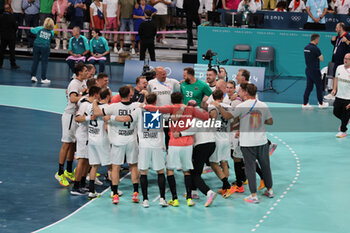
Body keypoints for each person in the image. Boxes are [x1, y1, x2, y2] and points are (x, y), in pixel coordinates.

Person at [144, 92, 210, 207]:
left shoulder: (170, 108)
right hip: (188, 144)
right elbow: (206, 117)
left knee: (170, 170)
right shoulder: (190, 109)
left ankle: (175, 199)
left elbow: (153, 108)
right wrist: (203, 108)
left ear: (171, 99)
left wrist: (143, 106)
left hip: (174, 143)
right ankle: (189, 198)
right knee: (186, 171)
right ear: (182, 99)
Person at [111, 93, 168, 208]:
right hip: (157, 146)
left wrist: (111, 117)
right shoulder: (161, 110)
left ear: (146, 101)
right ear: (156, 101)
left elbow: (127, 118)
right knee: (160, 172)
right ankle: (162, 199)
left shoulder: (138, 111)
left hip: (143, 146)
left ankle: (145, 200)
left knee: (144, 173)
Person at [93, 86, 141, 205]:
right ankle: (135, 193)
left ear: (119, 95)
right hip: (131, 140)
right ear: (130, 94)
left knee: (116, 167)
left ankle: (115, 194)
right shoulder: (136, 106)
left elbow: (97, 112)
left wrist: (94, 101)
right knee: (134, 166)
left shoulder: (113, 107)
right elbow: (147, 104)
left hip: (117, 142)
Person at [231, 83, 274, 203]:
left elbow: (231, 118)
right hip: (262, 141)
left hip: (247, 143)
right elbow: (270, 121)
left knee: (250, 168)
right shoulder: (263, 105)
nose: (238, 92)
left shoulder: (241, 106)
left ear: (245, 92)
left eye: (240, 90)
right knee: (265, 166)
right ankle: (269, 189)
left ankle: (253, 195)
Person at [55, 63, 88, 187]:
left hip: (76, 117)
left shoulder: (82, 82)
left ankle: (69, 171)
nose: (87, 73)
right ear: (79, 72)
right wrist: (84, 95)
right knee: (66, 144)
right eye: (85, 71)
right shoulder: (74, 83)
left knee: (73, 144)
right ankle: (59, 172)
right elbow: (73, 99)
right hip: (70, 117)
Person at [72, 85, 101, 196]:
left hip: (90, 135)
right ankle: (75, 186)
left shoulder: (93, 104)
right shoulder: (85, 104)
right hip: (83, 135)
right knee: (82, 160)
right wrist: (89, 118)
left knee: (88, 160)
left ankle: (82, 184)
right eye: (99, 94)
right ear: (95, 94)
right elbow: (77, 118)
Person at [147, 66, 180, 150]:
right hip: (156, 114)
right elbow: (148, 97)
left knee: (168, 134)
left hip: (168, 115)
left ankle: (169, 153)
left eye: (165, 74)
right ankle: (156, 153)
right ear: (157, 74)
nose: (164, 76)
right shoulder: (151, 83)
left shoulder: (172, 82)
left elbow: (182, 89)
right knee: (155, 135)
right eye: (162, 74)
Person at [303, 33, 329, 109]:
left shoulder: (306, 47)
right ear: (316, 39)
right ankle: (321, 104)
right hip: (315, 71)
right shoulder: (315, 48)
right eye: (318, 39)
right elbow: (322, 59)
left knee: (309, 87)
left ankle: (305, 104)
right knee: (319, 87)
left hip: (308, 70)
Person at [30, 17, 55, 84]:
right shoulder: (52, 32)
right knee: (44, 63)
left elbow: (32, 30)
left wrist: (32, 28)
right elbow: (51, 37)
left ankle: (33, 76)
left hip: (36, 46)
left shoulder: (39, 28)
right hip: (45, 47)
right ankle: (43, 78)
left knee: (35, 61)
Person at [331, 53, 350, 138]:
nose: (345, 60)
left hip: (348, 98)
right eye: (344, 58)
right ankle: (346, 120)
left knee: (345, 114)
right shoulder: (339, 68)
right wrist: (334, 89)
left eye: (348, 59)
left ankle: (343, 130)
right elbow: (336, 78)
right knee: (336, 112)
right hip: (339, 96)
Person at [0, 3, 20, 69]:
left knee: (2, 51)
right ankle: (13, 64)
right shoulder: (12, 17)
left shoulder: (1, 17)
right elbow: (16, 26)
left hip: (3, 36)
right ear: (9, 9)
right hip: (11, 37)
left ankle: (0, 64)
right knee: (12, 51)